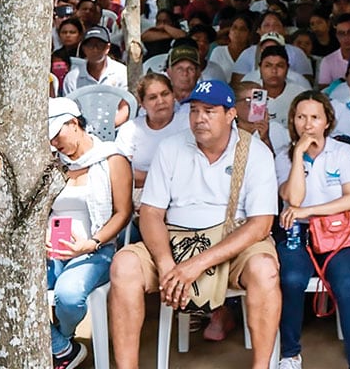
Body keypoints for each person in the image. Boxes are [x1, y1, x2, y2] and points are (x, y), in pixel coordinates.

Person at [107, 79, 281, 369]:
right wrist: (166, 264)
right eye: (194, 110)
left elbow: (261, 224)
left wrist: (197, 264)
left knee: (265, 270)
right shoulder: (171, 147)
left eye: (209, 111)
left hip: (231, 242)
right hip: (174, 240)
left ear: (231, 114)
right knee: (123, 266)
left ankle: (261, 366)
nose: (199, 118)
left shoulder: (255, 152)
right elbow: (151, 213)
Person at [275, 91, 350, 369]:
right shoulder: (284, 155)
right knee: (291, 280)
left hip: (338, 233)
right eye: (301, 117)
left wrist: (309, 211)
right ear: (292, 120)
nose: (308, 124)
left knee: (347, 286)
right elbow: (294, 199)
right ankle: (290, 355)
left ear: (327, 121)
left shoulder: (342, 151)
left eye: (315, 117)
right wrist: (298, 155)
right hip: (297, 234)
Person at [46, 97, 132, 369]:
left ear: (74, 123)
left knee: (69, 297)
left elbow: (123, 212)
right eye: (50, 139)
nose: (54, 143)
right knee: (17, 288)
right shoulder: (53, 164)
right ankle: (63, 348)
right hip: (53, 246)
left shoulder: (111, 158)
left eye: (57, 135)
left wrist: (92, 243)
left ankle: (62, 337)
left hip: (96, 247)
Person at [124, 73, 188, 191]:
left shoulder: (188, 124)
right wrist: (164, 178)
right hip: (139, 193)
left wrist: (143, 176)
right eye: (152, 97)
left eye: (165, 94)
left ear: (173, 95)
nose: (160, 101)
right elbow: (121, 172)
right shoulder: (130, 129)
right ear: (142, 103)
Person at [61, 26, 127, 95]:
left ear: (107, 48)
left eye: (99, 45)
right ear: (83, 48)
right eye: (90, 45)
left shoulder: (122, 73)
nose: (95, 50)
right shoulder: (72, 78)